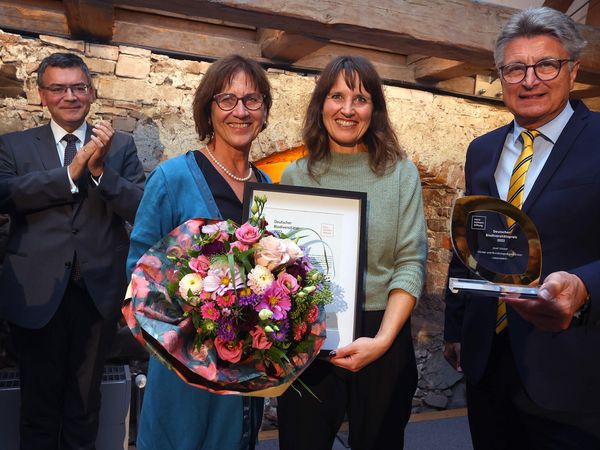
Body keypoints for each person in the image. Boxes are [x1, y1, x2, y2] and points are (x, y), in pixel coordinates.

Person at [444, 7, 600, 449]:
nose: (530, 80)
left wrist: (584, 286)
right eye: (515, 69)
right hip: (487, 360)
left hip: (573, 367)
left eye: (546, 64)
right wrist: (456, 328)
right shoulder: (482, 150)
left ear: (573, 71)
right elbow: (467, 241)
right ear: (501, 76)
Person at [276, 56, 427, 450]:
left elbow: (411, 262)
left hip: (383, 332)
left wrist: (381, 341)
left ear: (373, 109)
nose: (347, 109)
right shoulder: (296, 175)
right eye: (336, 96)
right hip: (310, 331)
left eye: (359, 98)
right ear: (320, 105)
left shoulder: (400, 174)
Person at [0, 52, 145, 449]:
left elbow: (138, 207)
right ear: (42, 95)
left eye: (79, 87)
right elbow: (7, 195)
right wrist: (70, 172)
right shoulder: (13, 146)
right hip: (37, 294)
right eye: (59, 88)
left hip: (96, 296)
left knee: (85, 406)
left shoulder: (120, 147)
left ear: (92, 93)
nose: (70, 96)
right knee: (38, 408)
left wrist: (99, 171)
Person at [127, 54, 272, 450]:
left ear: (264, 111)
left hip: (243, 376)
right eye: (227, 99)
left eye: (252, 100)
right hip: (184, 378)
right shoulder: (172, 178)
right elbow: (137, 272)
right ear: (208, 109)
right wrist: (191, 331)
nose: (240, 111)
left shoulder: (267, 185)